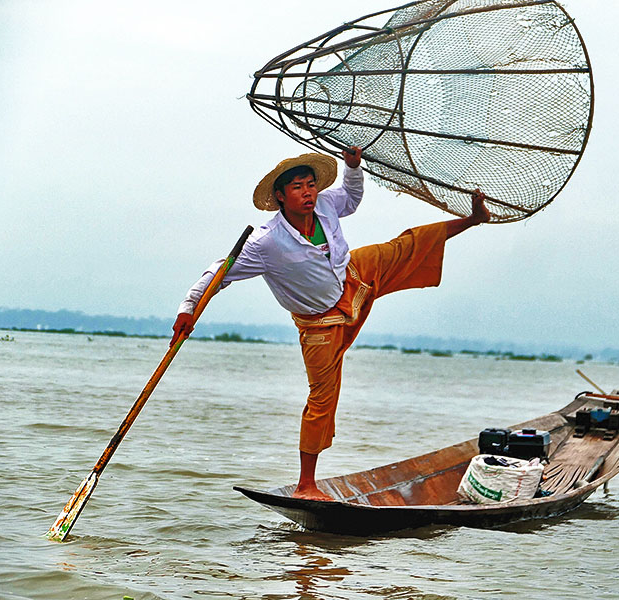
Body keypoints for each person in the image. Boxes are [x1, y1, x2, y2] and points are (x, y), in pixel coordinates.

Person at [171, 147, 490, 500]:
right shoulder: (266, 242)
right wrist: (190, 309)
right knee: (322, 398)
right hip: (319, 324)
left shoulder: (324, 205)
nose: (307, 193)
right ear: (280, 196)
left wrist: (353, 167)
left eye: (310, 185)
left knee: (405, 245)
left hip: (353, 277)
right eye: (297, 187)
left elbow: (351, 199)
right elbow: (221, 272)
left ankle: (473, 220)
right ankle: (306, 485)